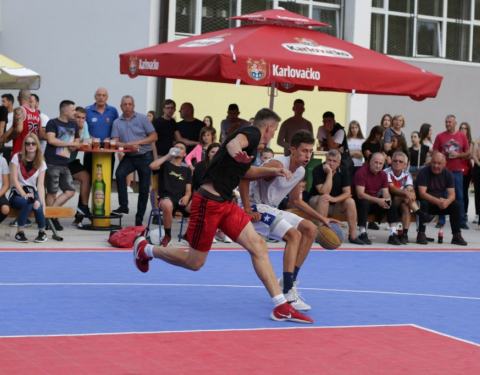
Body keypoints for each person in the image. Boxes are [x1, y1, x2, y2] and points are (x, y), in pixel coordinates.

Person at [133, 108, 313, 324]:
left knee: (258, 246)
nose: (273, 135)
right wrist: (237, 151)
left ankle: (281, 306)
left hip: (226, 203)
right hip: (207, 202)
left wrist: (273, 171)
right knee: (194, 262)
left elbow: (246, 173)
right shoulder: (252, 134)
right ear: (269, 128)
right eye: (273, 131)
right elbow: (231, 144)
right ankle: (146, 249)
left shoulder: (252, 146)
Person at [240, 129, 338, 310]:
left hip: (270, 209)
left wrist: (321, 218)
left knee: (310, 229)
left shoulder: (300, 171)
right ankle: (288, 293)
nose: (308, 155)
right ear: (292, 150)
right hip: (255, 208)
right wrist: (247, 209)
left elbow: (295, 200)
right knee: (294, 235)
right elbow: (244, 177)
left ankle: (289, 280)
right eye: (304, 151)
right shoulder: (277, 165)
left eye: (310, 151)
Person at [111, 96, 157, 226]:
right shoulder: (117, 122)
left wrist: (136, 142)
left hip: (145, 156)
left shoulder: (143, 118)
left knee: (143, 189)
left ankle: (139, 219)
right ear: (121, 106)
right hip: (130, 156)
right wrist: (128, 146)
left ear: (134, 106)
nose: (127, 106)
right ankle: (123, 205)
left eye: (129, 104)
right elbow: (114, 141)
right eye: (124, 104)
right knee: (119, 174)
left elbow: (154, 136)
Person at [309, 149, 364, 245]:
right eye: (329, 160)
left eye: (334, 161)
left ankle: (353, 236)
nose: (331, 163)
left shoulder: (344, 170)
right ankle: (321, 234)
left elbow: (347, 193)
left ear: (338, 163)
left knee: (350, 201)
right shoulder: (318, 169)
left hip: (334, 203)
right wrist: (329, 173)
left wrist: (334, 199)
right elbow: (324, 191)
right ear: (325, 160)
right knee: (324, 198)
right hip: (316, 203)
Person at [383, 152, 436, 244]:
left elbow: (410, 188)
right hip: (389, 202)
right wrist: (407, 194)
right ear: (391, 162)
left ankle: (405, 235)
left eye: (400, 161)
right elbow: (391, 188)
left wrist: (412, 194)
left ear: (405, 164)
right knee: (403, 196)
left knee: (406, 207)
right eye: (395, 161)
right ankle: (422, 214)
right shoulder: (386, 172)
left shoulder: (406, 174)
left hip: (403, 201)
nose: (397, 163)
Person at [416, 153, 467, 246]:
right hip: (428, 203)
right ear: (430, 162)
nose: (436, 166)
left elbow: (452, 194)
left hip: (441, 203)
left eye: (439, 163)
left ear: (445, 164)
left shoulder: (448, 174)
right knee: (423, 203)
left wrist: (447, 202)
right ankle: (421, 233)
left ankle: (456, 235)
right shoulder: (424, 172)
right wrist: (437, 201)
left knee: (455, 205)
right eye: (434, 163)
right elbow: (422, 193)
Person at [44, 100, 80, 231]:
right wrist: (68, 144)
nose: (75, 112)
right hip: (52, 162)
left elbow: (76, 141)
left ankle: (50, 216)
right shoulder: (52, 123)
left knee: (70, 191)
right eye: (73, 110)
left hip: (65, 163)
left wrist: (75, 145)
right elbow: (51, 140)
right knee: (52, 192)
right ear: (65, 111)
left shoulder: (74, 125)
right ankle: (51, 220)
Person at [149, 141, 191, 247]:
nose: (178, 149)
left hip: (181, 199)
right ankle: (167, 236)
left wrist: (186, 196)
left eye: (181, 148)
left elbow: (188, 190)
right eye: (176, 147)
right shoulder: (165, 164)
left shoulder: (187, 171)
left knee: (200, 206)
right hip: (165, 198)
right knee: (168, 205)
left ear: (185, 154)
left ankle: (189, 235)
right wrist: (169, 155)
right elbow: (152, 166)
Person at [352, 152, 400, 245]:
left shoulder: (383, 174)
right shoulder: (361, 172)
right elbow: (360, 194)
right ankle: (362, 232)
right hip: (359, 202)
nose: (378, 166)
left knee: (392, 204)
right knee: (364, 202)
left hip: (374, 201)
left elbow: (385, 192)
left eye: (380, 163)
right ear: (370, 162)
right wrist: (378, 200)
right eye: (376, 162)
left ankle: (393, 234)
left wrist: (387, 200)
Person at [433, 115, 470, 229]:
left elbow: (468, 153)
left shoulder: (462, 136)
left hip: (457, 171)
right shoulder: (440, 136)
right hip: (443, 171)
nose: (448, 124)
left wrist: (458, 155)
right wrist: (442, 156)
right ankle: (441, 220)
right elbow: (434, 153)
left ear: (455, 123)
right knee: (442, 195)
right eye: (446, 122)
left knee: (459, 196)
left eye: (450, 122)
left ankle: (461, 221)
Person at [9, 134, 47, 243]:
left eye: (33, 143)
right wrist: (23, 194)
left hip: (32, 193)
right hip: (17, 193)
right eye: (28, 143)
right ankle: (19, 233)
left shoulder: (41, 163)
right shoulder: (17, 157)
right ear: (24, 145)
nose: (30, 145)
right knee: (29, 201)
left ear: (37, 146)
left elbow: (40, 185)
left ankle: (42, 232)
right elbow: (14, 180)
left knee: (37, 204)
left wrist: (43, 203)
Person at [151, 99, 178, 222]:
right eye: (168, 108)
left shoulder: (173, 122)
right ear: (163, 109)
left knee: (167, 185)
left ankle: (167, 211)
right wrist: (156, 159)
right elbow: (153, 141)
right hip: (159, 156)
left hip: (170, 157)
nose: (170, 110)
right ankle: (155, 213)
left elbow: (177, 139)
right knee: (155, 185)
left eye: (172, 108)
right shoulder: (157, 122)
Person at [191, 142, 222, 244]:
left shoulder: (223, 165)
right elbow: (201, 183)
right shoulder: (200, 166)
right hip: (203, 194)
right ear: (208, 153)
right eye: (212, 152)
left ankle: (221, 232)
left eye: (217, 152)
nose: (214, 154)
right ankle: (210, 232)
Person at [0, 89, 41, 160]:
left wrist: (8, 138)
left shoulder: (19, 110)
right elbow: (41, 134)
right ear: (29, 98)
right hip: (33, 152)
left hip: (20, 151)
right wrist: (2, 139)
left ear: (18, 98)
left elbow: (18, 129)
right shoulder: (37, 113)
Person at [68, 106, 92, 226]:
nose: (80, 120)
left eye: (82, 118)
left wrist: (79, 144)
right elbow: (70, 146)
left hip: (71, 161)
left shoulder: (85, 125)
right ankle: (49, 215)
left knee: (86, 177)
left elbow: (87, 142)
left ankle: (83, 207)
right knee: (60, 190)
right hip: (60, 162)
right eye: (78, 117)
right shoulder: (68, 125)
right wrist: (79, 144)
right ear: (73, 117)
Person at [459, 122, 473, 222]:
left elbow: (470, 155)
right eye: (461, 128)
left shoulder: (470, 142)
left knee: (464, 192)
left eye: (465, 128)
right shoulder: (457, 140)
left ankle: (465, 213)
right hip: (457, 167)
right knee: (456, 193)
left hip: (466, 169)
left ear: (468, 130)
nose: (463, 130)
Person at [0, 93, 15, 164]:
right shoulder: (1, 114)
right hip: (2, 146)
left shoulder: (16, 114)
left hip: (11, 146)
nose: (2, 103)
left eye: (4, 101)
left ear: (10, 102)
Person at [472, 134, 480, 227]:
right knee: (478, 192)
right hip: (478, 169)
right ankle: (478, 214)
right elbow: (475, 155)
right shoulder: (478, 140)